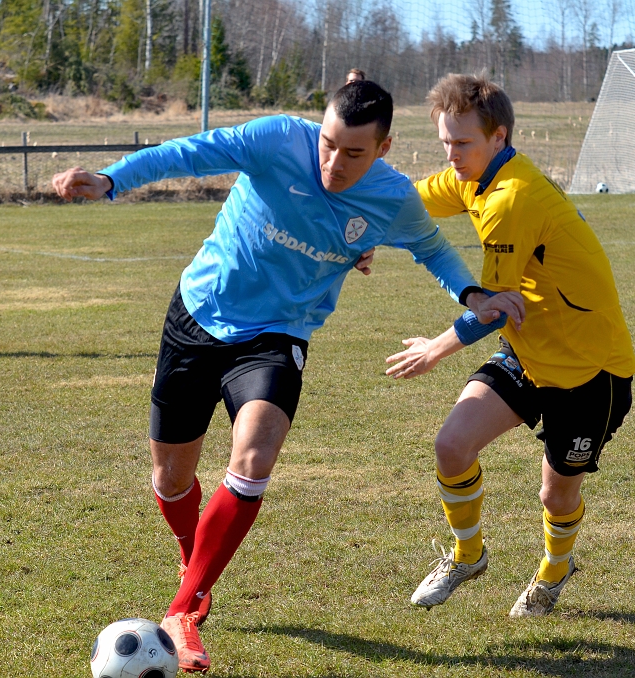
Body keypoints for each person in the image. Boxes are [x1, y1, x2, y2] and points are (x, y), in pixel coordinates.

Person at [53, 80, 518, 672]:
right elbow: (192, 153)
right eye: (327, 144)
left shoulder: (393, 198)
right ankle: (193, 557)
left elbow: (431, 247)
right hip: (197, 316)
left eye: (353, 153)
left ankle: (183, 610)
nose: (333, 163)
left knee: (254, 458)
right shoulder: (275, 139)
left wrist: (472, 293)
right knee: (171, 479)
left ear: (383, 148)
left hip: (277, 336)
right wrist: (112, 178)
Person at [386, 73, 635, 618]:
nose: (451, 154)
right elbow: (403, 203)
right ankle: (467, 556)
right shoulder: (473, 176)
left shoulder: (511, 197)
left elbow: (494, 307)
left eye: (462, 142)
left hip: (590, 373)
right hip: (528, 354)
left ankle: (554, 569)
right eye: (445, 142)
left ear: (498, 136)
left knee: (555, 495)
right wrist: (355, 231)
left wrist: (433, 349)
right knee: (452, 446)